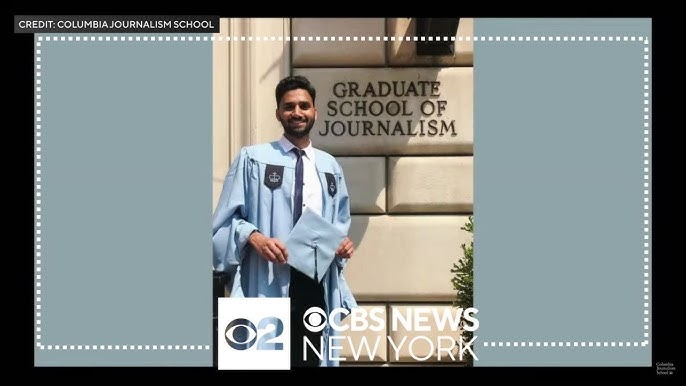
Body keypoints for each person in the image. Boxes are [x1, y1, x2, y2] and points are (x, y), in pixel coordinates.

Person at [212, 75, 357, 367]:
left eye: (304, 105)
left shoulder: (329, 166)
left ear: (315, 111)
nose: (297, 112)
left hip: (314, 285)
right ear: (278, 113)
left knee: (310, 359)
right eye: (289, 106)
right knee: (262, 361)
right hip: (266, 280)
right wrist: (254, 237)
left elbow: (340, 223)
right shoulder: (252, 159)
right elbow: (223, 222)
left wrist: (341, 245)